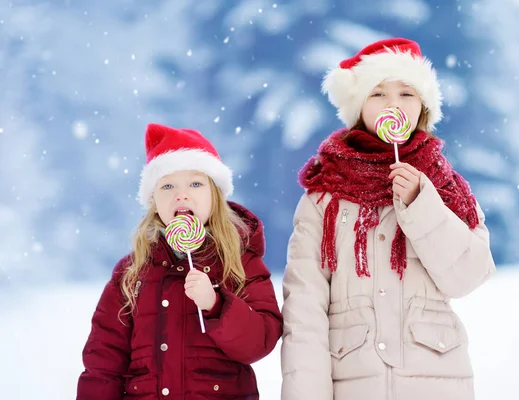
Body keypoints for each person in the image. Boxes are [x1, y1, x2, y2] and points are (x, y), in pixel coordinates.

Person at [281, 38, 496, 400]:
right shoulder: (324, 194)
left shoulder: (445, 185)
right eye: (378, 94)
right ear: (358, 106)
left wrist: (420, 204)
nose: (393, 104)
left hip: (436, 382)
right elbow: (305, 309)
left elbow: (468, 275)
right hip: (353, 384)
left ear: (424, 106)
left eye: (406, 94)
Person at [77, 123, 283, 400]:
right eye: (167, 185)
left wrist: (216, 305)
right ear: (154, 201)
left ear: (215, 196)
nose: (181, 194)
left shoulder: (240, 261)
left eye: (196, 183)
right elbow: (103, 362)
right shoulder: (132, 271)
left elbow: (260, 343)